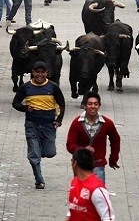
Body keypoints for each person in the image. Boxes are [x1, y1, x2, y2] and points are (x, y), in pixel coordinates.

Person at [12, 61, 65, 189]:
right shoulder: (26, 87)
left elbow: (62, 103)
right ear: (33, 73)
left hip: (48, 125)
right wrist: (25, 108)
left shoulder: (53, 87)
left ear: (47, 73)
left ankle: (38, 149)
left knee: (50, 152)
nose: (39, 75)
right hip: (32, 124)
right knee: (34, 155)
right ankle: (39, 180)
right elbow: (15, 103)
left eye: (42, 72)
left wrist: (59, 120)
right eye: (37, 72)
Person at [66, 91, 120, 183]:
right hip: (80, 165)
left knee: (98, 192)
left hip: (98, 164)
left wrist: (113, 158)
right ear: (85, 106)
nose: (93, 107)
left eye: (95, 104)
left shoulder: (107, 123)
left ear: (99, 106)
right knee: (82, 193)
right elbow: (70, 145)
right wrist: (83, 150)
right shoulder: (77, 123)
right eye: (90, 104)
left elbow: (115, 140)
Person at [66, 148, 115, 220]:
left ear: (75, 163)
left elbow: (108, 218)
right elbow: (73, 209)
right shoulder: (74, 181)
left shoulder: (97, 189)